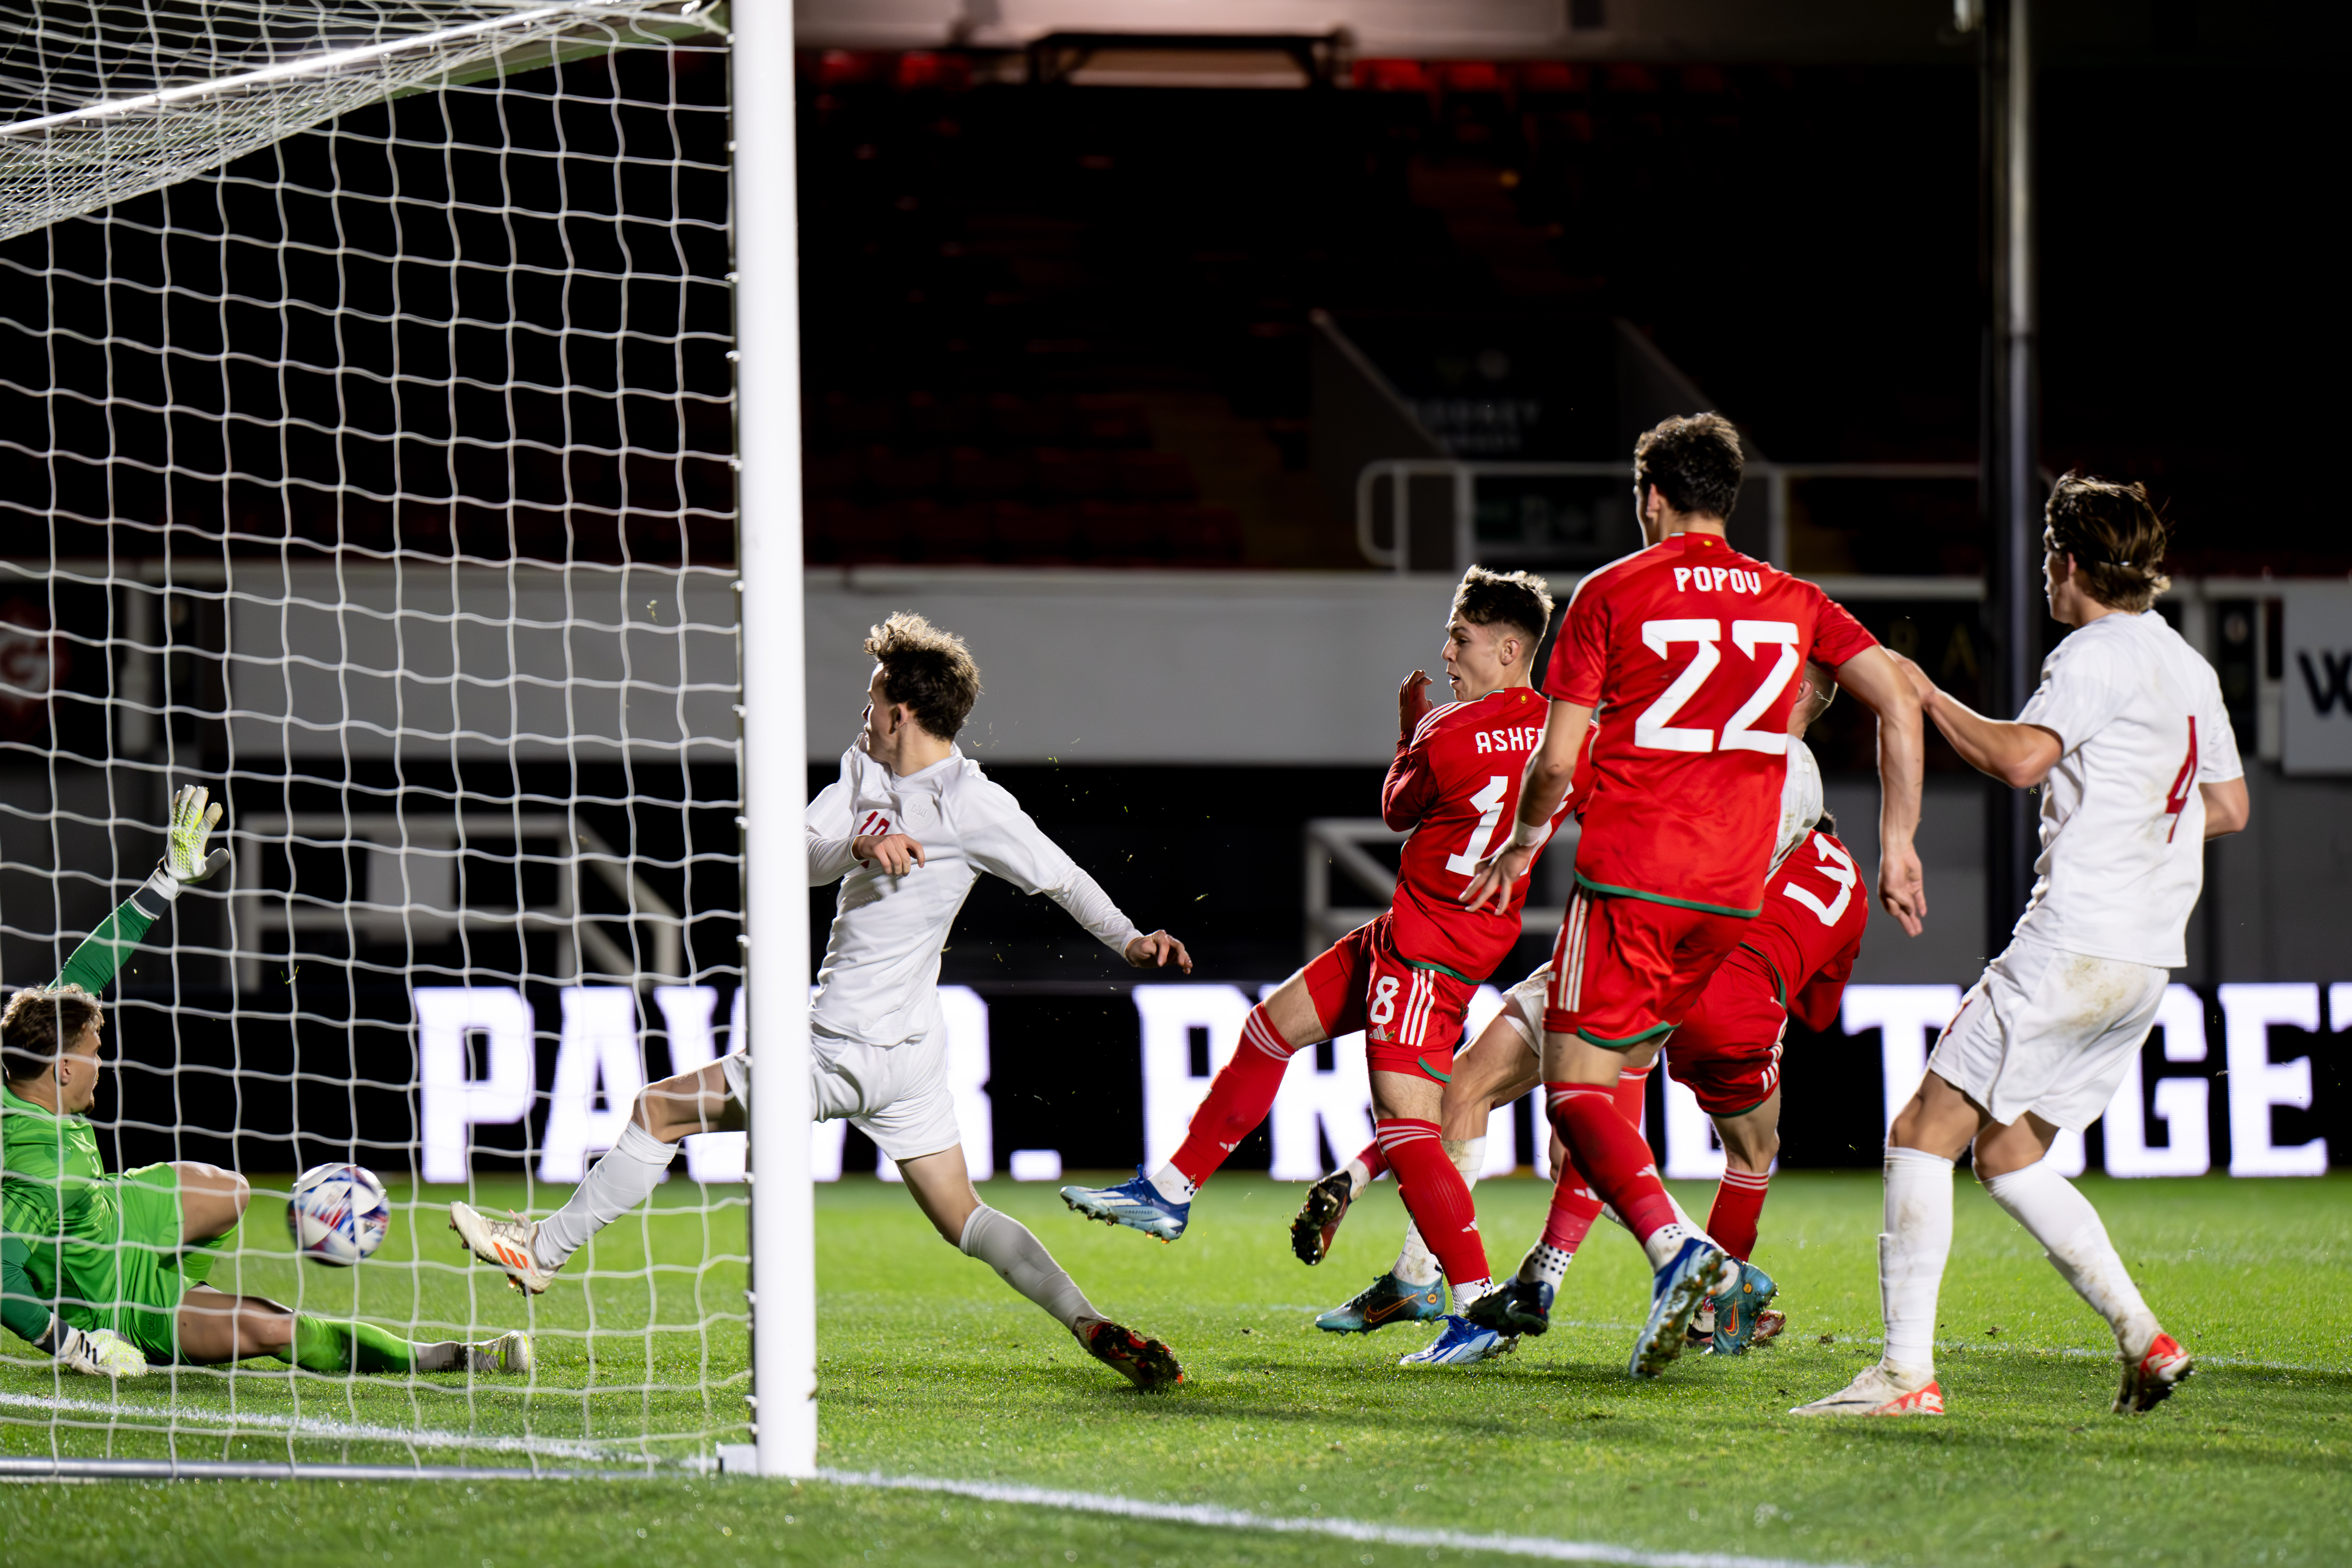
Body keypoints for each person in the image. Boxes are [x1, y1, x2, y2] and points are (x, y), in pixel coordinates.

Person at [452, 613, 1194, 1390]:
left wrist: (1131, 937)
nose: (863, 712)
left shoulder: (974, 806)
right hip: (911, 1056)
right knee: (964, 1216)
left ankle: (541, 1253)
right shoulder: (864, 770)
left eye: (872, 699)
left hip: (835, 1047)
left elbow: (1062, 877)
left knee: (659, 1110)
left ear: (902, 713)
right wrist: (861, 844)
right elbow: (794, 854)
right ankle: (1087, 1320)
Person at [1463, 412, 1926, 1378]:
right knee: (1617, 1084)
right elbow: (1895, 696)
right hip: (1730, 902)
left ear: (1652, 499)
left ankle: (1685, 1256)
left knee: (1574, 1091)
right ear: (1726, 499)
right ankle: (1557, 1273)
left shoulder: (1610, 593)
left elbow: (1556, 761)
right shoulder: (1792, 599)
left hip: (1633, 878)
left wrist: (1522, 841)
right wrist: (1897, 844)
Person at [1794, 473, 2246, 1418]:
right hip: (2146, 957)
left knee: (1920, 1132)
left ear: (2069, 561)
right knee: (2005, 1155)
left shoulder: (2092, 652)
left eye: (2049, 553)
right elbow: (2228, 809)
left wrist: (1924, 691)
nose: (2046, 569)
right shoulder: (2186, 666)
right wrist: (2136, 833)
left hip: (2074, 941)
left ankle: (1903, 1376)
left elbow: (2018, 759)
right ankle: (2143, 1338)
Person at [1060, 567, 1567, 1369]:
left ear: (1510, 648)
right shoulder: (1559, 732)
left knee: (1408, 1131)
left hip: (1425, 949)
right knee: (1269, 1029)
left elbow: (1398, 807)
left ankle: (1475, 1306)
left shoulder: (1450, 730)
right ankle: (1171, 1190)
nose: (1446, 653)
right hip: (1438, 933)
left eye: (1461, 639)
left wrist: (1410, 728)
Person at [1307, 664, 1866, 1359]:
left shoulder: (1733, 749)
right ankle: (1428, 1278)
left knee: (1571, 1137)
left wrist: (1533, 818)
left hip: (1630, 954)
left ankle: (1529, 1296)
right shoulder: (1773, 770)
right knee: (1488, 1099)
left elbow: (1589, 787)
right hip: (1637, 957)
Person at [1, 787, 529, 1379]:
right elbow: (1, 1276)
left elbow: (85, 974)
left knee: (232, 1191)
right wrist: (76, 1345)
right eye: (96, 1054)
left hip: (115, 1216)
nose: (105, 1062)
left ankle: (175, 1274)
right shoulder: (41, 1173)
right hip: (117, 1301)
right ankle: (454, 1355)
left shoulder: (28, 1064)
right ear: (65, 1069)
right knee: (274, 1327)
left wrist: (168, 882)